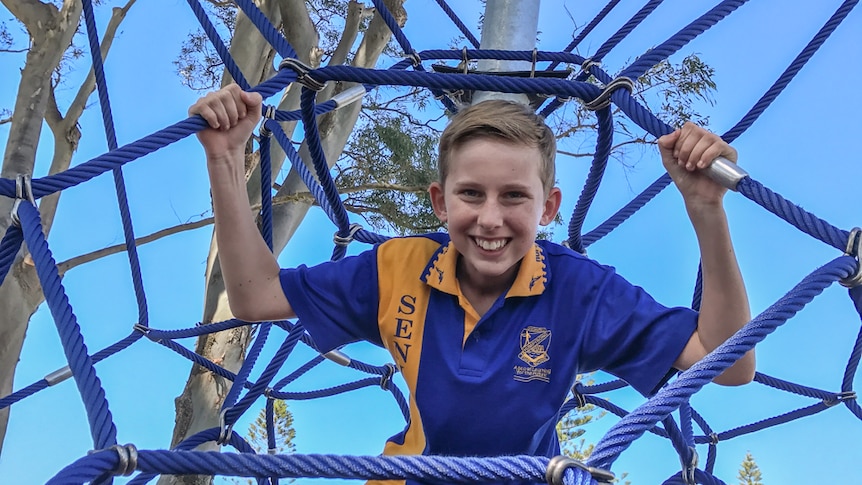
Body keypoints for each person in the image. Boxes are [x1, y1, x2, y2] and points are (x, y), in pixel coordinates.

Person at [189, 84, 755, 475]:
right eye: (470, 194)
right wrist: (226, 158)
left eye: (514, 197)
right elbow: (255, 295)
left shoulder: (580, 291)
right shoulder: (398, 267)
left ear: (549, 207)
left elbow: (731, 365)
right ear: (439, 200)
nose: (489, 218)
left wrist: (707, 209)